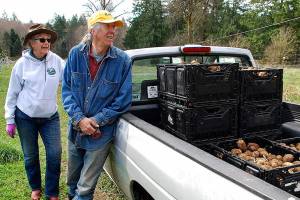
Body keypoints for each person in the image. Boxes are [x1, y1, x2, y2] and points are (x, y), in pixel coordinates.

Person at [62, 10, 132, 200]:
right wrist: (79, 119)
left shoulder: (122, 61)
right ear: (93, 31)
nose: (113, 31)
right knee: (72, 183)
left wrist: (95, 121)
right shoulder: (76, 54)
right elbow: (67, 91)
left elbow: (123, 100)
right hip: (76, 130)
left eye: (114, 27)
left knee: (85, 189)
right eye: (107, 26)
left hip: (100, 135)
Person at [4, 24, 64, 200]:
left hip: (50, 117)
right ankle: (36, 187)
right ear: (31, 42)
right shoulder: (21, 65)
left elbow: (70, 76)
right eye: (42, 39)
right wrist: (10, 119)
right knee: (31, 156)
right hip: (25, 117)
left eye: (49, 40)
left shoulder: (56, 61)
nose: (47, 43)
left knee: (55, 153)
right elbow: (12, 93)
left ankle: (52, 192)